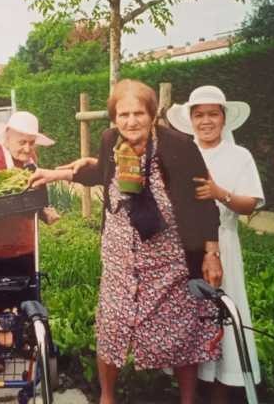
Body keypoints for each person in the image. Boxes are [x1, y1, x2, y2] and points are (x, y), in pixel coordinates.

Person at [30, 79, 223, 404]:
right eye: (123, 115)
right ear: (113, 118)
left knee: (181, 330)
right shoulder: (110, 141)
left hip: (169, 260)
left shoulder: (179, 146)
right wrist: (55, 173)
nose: (131, 122)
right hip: (120, 257)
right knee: (112, 327)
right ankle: (107, 398)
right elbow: (102, 173)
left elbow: (205, 202)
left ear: (152, 114)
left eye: (138, 114)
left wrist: (211, 253)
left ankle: (187, 400)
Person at [167, 85, 265, 404]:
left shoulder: (239, 156)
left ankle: (220, 393)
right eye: (199, 114)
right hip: (184, 247)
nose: (206, 121)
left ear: (224, 118)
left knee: (222, 313)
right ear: (190, 119)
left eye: (212, 114)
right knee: (190, 319)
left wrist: (219, 192)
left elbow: (250, 204)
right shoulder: (181, 154)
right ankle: (189, 394)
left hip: (223, 246)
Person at [0, 110, 59, 373]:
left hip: (20, 242)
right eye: (22, 142)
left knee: (20, 297)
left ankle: (17, 341)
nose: (28, 148)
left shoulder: (30, 158)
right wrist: (31, 205)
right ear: (7, 137)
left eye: (31, 142)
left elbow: (36, 194)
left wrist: (44, 210)